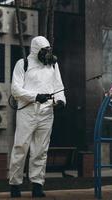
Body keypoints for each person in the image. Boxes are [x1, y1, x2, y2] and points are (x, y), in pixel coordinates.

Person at [9, 36, 66, 198]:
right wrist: (35, 96)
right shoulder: (23, 64)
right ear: (35, 50)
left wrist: (61, 101)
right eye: (44, 51)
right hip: (27, 112)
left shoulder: (53, 65)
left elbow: (59, 87)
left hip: (47, 113)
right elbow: (15, 90)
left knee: (41, 150)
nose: (47, 54)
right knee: (21, 147)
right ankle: (15, 185)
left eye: (49, 50)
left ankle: (37, 185)